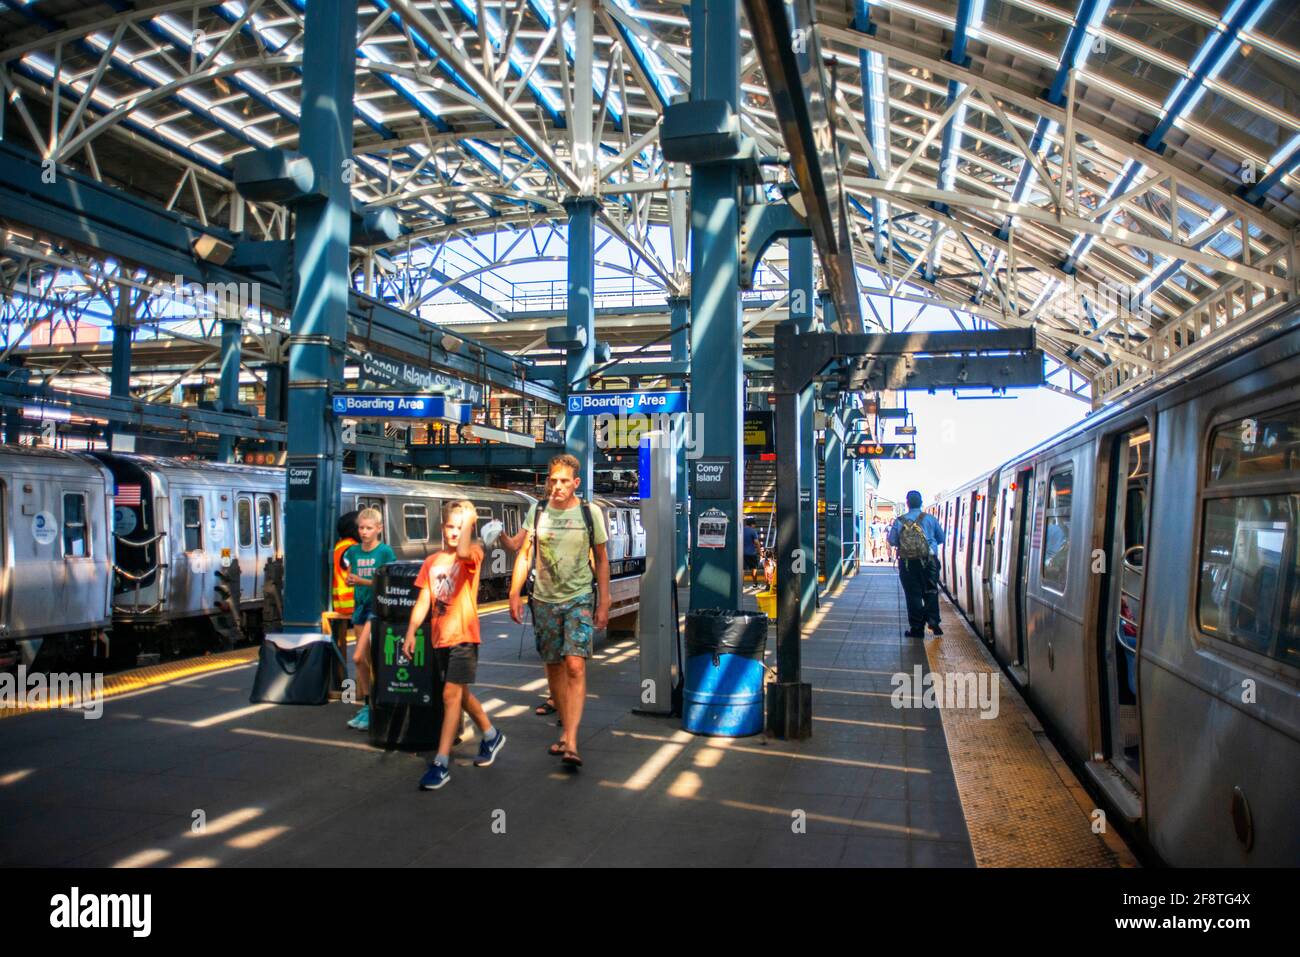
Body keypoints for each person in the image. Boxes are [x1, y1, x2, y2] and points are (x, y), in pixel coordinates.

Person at [508, 454, 611, 769]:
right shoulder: (537, 511)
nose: (557, 486)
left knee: (575, 665)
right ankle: (565, 730)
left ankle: (571, 738)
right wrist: (514, 592)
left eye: (564, 481)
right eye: (553, 480)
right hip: (543, 600)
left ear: (576, 483)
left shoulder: (589, 512)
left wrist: (604, 600)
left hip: (579, 597)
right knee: (553, 666)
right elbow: (524, 554)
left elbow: (602, 558)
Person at [405, 500, 505, 790]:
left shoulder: (473, 552)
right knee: (459, 694)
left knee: (450, 695)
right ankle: (490, 734)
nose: (454, 532)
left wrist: (470, 523)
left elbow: (462, 550)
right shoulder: (431, 562)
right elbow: (424, 599)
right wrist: (412, 631)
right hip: (439, 638)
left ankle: (441, 762)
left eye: (459, 528)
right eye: (450, 526)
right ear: (442, 527)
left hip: (464, 636)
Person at [343, 507, 395, 731]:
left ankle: (371, 705)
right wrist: (350, 581)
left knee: (359, 658)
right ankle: (369, 705)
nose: (363, 532)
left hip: (377, 608)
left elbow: (389, 581)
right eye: (361, 528)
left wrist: (362, 582)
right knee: (362, 659)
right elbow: (350, 575)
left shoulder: (385, 552)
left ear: (379, 529)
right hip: (360, 607)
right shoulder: (353, 552)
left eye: (368, 528)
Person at [888, 491, 945, 638]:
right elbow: (941, 538)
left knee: (913, 595)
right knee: (931, 590)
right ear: (921, 502)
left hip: (908, 563)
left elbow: (892, 540)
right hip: (929, 560)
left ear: (907, 503)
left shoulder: (900, 520)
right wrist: (927, 545)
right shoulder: (931, 519)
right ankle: (933, 621)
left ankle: (917, 628)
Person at [332, 511, 360, 619]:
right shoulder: (353, 548)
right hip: (354, 603)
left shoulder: (341, 545)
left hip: (341, 602)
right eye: (361, 527)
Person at [742, 517, 761, 585]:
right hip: (751, 553)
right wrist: (760, 552)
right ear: (751, 524)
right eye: (754, 524)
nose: (755, 526)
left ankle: (741, 583)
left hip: (742, 553)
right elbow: (756, 542)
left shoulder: (741, 530)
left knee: (742, 568)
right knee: (753, 568)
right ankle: (755, 583)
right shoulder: (753, 531)